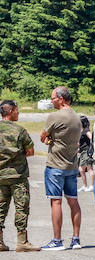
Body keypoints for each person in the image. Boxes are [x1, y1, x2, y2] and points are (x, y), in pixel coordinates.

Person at [40, 86, 83, 251]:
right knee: (73, 201)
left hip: (56, 165)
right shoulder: (77, 117)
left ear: (61, 99)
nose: (51, 101)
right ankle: (76, 239)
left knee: (56, 201)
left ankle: (57, 240)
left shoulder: (55, 116)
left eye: (53, 98)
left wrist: (50, 139)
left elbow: (43, 137)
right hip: (72, 165)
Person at [0, 100, 40, 252]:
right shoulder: (20, 130)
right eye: (17, 110)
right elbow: (30, 151)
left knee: (0, 208)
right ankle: (22, 242)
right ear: (11, 111)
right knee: (21, 207)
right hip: (18, 176)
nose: (18, 113)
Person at [77, 115, 95, 193]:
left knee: (89, 168)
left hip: (87, 151)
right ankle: (85, 186)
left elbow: (91, 138)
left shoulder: (86, 130)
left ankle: (92, 186)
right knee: (81, 169)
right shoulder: (80, 130)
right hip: (82, 152)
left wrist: (91, 146)